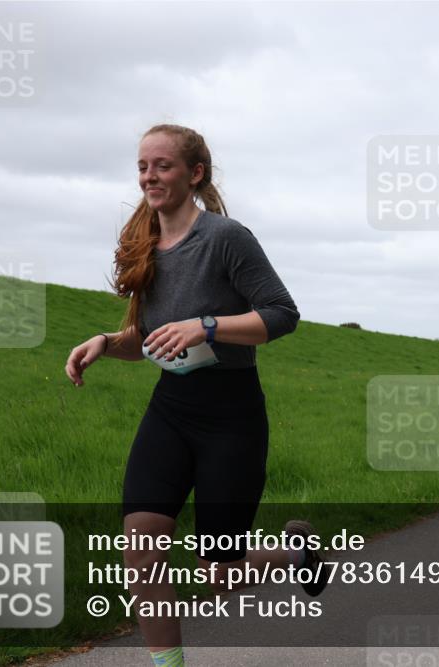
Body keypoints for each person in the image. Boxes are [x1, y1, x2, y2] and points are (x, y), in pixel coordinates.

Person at [64, 124, 323, 667]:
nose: (149, 176)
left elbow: (282, 314)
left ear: (194, 173)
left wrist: (207, 326)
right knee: (141, 548)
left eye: (162, 165)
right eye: (142, 167)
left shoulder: (226, 238)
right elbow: (151, 338)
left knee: (219, 574)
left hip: (231, 413)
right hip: (171, 409)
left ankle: (294, 552)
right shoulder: (144, 246)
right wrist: (106, 343)